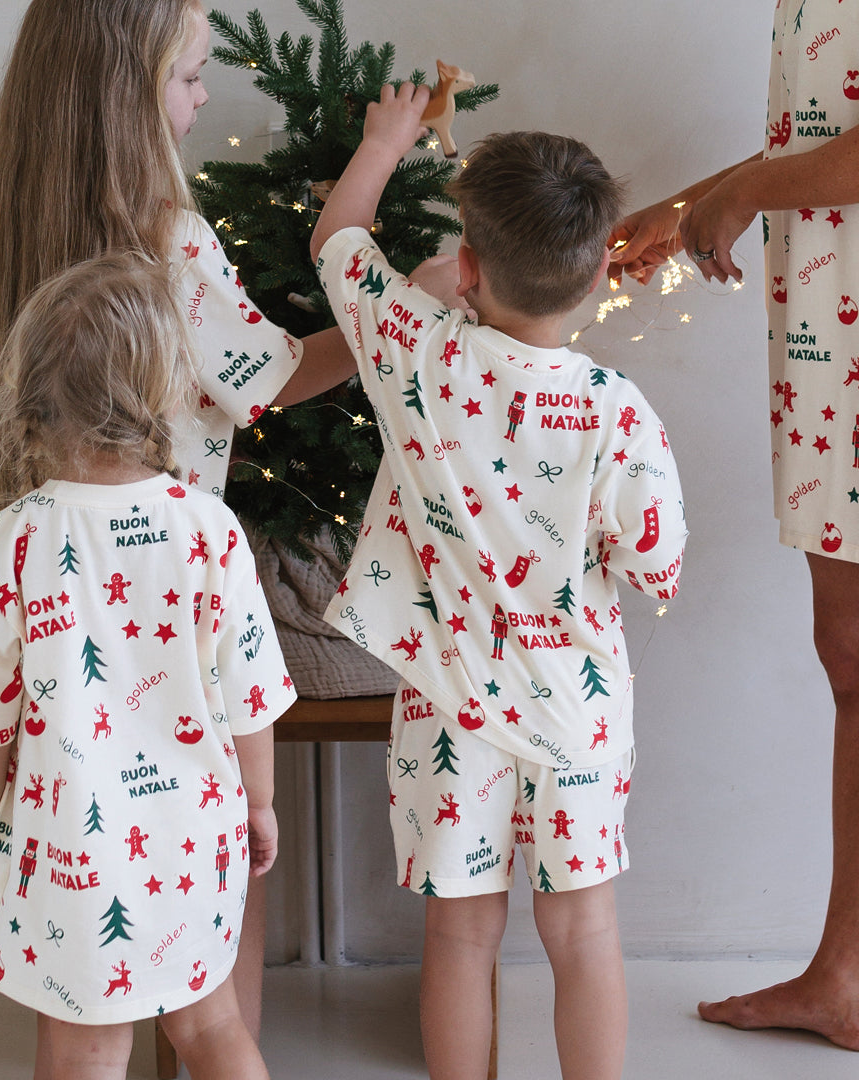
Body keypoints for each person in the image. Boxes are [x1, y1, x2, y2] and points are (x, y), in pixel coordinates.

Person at [0, 0, 354, 1056]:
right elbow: (272, 376)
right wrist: (388, 325)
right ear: (126, 94)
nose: (202, 97)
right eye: (189, 77)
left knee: (80, 1026)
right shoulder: (173, 240)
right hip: (172, 654)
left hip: (58, 671)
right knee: (213, 1014)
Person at [309, 83, 687, 1080]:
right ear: (599, 269)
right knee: (585, 932)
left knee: (460, 935)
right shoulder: (617, 410)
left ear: (468, 266)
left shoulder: (418, 353)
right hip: (576, 712)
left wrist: (388, 139)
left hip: (448, 709)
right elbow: (655, 564)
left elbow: (338, 243)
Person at [0, 250, 295, 1080]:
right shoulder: (209, 530)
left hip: (69, 841)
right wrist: (261, 805)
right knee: (212, 1025)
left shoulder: (10, 542)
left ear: (31, 395)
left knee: (88, 1047)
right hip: (196, 833)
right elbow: (252, 698)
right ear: (168, 390)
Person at [608, 0, 859, 1051]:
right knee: (850, 652)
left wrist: (741, 194)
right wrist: (692, 206)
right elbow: (828, 131)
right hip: (830, 335)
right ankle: (845, 976)